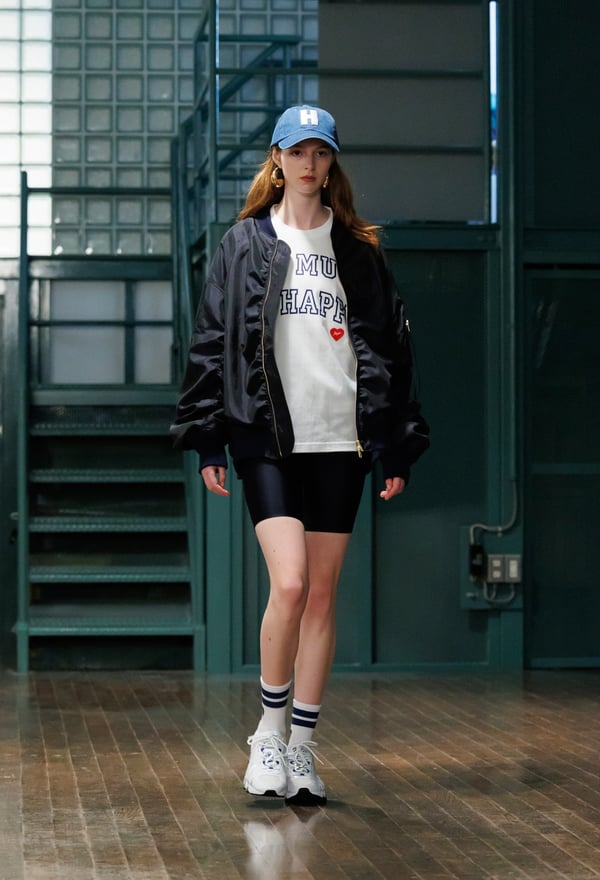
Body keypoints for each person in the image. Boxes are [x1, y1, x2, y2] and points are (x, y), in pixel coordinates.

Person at [171, 104, 428, 806]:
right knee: (288, 586)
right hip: (266, 433)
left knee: (320, 595)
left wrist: (397, 443)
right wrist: (207, 435)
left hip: (341, 438)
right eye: (297, 151)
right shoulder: (244, 242)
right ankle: (268, 732)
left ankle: (304, 748)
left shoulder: (360, 250)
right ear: (277, 160)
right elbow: (212, 339)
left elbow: (392, 350)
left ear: (331, 161)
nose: (309, 164)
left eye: (321, 152)